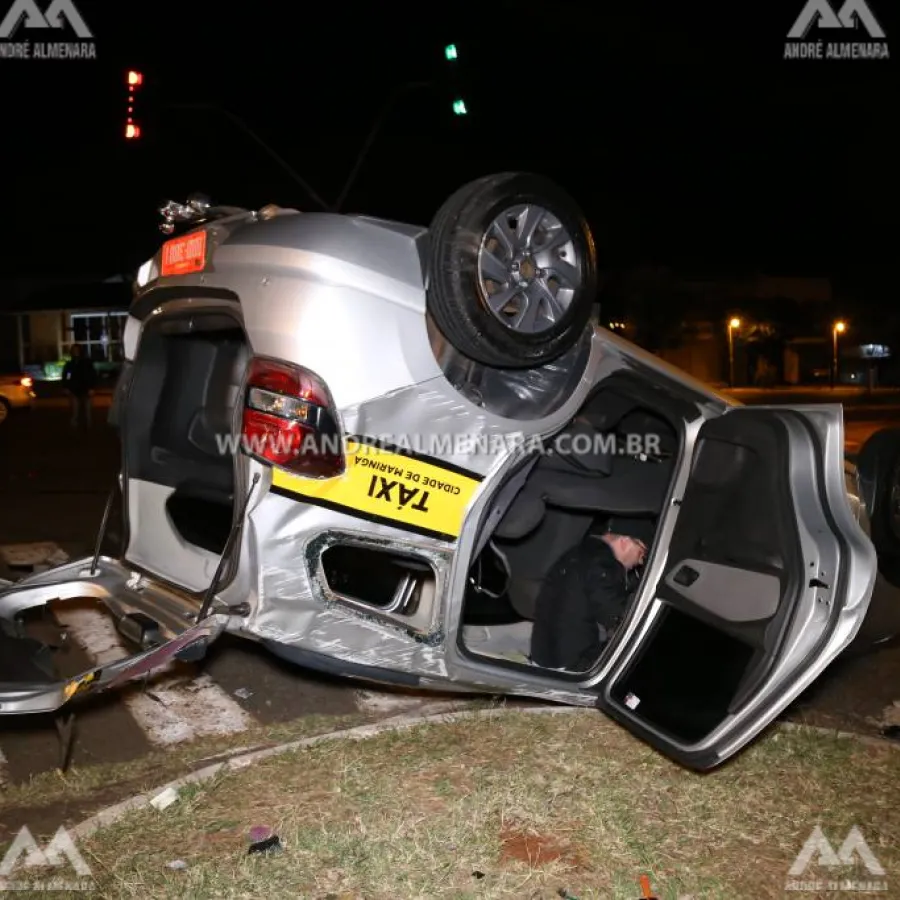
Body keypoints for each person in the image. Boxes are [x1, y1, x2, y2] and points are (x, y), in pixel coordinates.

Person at [529, 516, 655, 672]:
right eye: (641, 552)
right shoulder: (604, 563)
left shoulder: (576, 553)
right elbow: (617, 616)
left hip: (542, 656)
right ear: (625, 542)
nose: (641, 561)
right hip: (571, 665)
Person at [61, 344, 97, 430]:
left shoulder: (87, 363)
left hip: (86, 389)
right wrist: (66, 386)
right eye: (74, 350)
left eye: (77, 350)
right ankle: (75, 427)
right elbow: (67, 376)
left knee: (88, 411)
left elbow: (92, 375)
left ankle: (88, 427)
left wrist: (92, 387)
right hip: (74, 390)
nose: (76, 352)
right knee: (75, 410)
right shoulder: (70, 364)